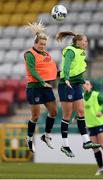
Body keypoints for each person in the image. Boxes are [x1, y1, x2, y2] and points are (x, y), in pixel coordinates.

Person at [56, 31, 100, 158]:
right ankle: (65, 145)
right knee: (67, 115)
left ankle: (86, 142)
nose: (86, 43)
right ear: (78, 41)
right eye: (85, 41)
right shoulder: (70, 50)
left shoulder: (81, 52)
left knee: (80, 112)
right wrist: (67, 78)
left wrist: (82, 81)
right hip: (66, 85)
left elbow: (78, 69)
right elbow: (67, 66)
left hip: (75, 85)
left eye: (86, 41)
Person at [24, 22, 57, 152]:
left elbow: (52, 70)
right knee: (36, 116)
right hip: (34, 87)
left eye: (44, 44)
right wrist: (42, 81)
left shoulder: (46, 55)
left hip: (46, 86)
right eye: (41, 44)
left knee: (53, 112)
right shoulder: (29, 54)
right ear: (35, 43)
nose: (43, 46)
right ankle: (29, 138)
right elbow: (32, 70)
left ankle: (46, 136)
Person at [83, 80, 103, 175]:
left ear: (91, 86)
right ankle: (101, 168)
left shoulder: (95, 95)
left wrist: (102, 112)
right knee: (94, 147)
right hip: (91, 125)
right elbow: (80, 110)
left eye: (87, 84)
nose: (85, 85)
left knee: (102, 143)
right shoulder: (81, 97)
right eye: (84, 84)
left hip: (101, 123)